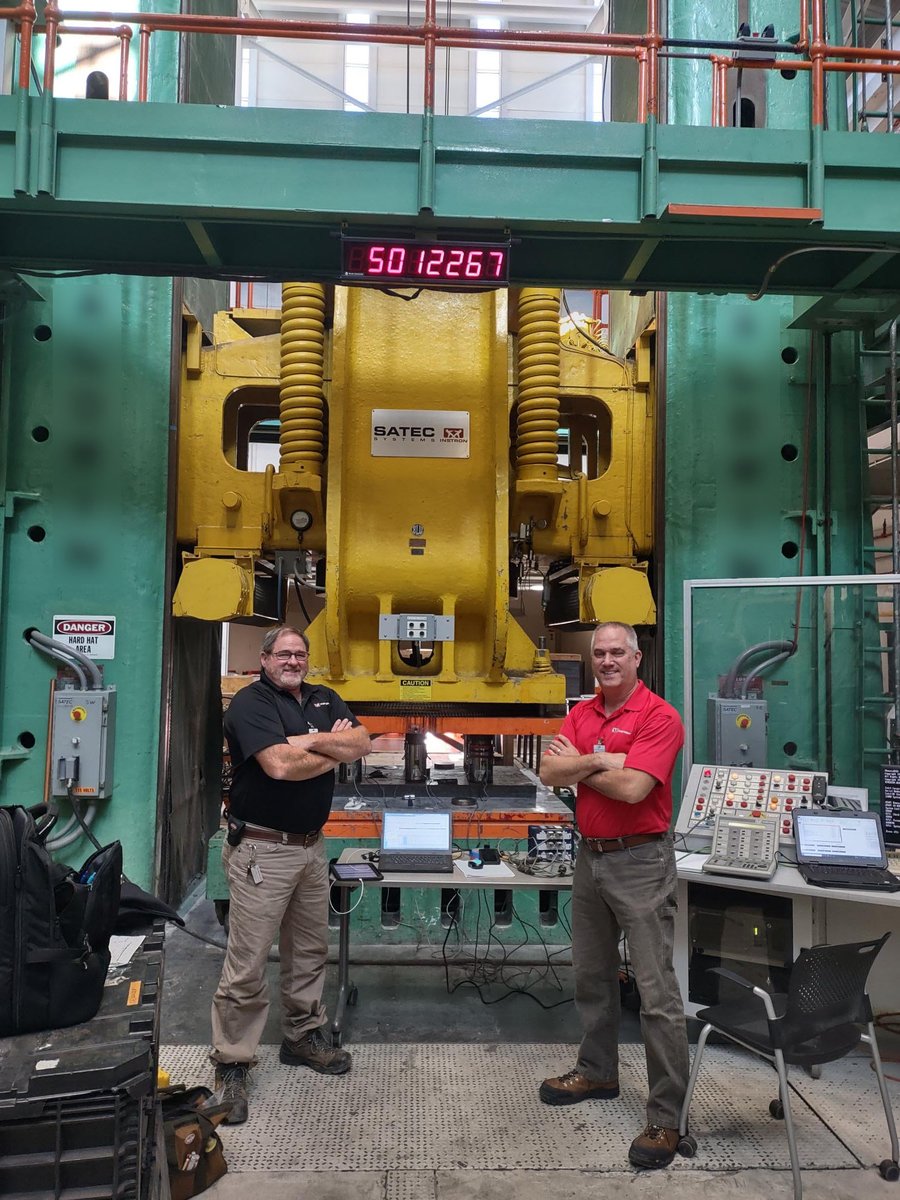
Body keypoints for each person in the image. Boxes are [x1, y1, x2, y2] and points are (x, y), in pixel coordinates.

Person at [538, 621, 689, 1170]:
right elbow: (548, 767)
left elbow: (634, 789)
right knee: (591, 977)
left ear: (636, 659)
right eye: (599, 653)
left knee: (656, 993)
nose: (606, 661)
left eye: (616, 653)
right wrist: (603, 760)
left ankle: (666, 1117)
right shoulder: (582, 713)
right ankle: (597, 1071)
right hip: (591, 857)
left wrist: (580, 767)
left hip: (642, 861)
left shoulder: (660, 717)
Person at [210, 625, 371, 1124]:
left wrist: (310, 741)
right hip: (263, 849)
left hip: (310, 849)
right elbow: (279, 766)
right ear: (264, 659)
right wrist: (330, 748)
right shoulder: (249, 703)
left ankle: (302, 1035)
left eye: (300, 654)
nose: (293, 661)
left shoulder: (324, 697)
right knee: (249, 959)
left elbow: (362, 742)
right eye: (284, 654)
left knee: (308, 950)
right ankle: (233, 1063)